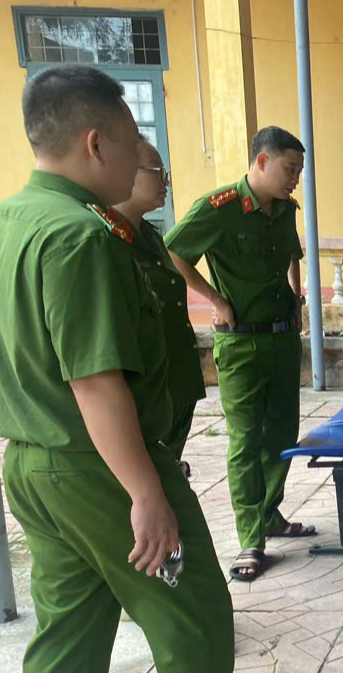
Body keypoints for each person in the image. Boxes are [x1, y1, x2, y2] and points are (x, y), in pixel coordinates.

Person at [0, 65, 236, 673]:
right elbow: (94, 381)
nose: (138, 151)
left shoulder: (2, 221)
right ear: (96, 142)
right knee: (193, 621)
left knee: (70, 634)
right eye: (130, 136)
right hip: (101, 467)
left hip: (32, 466)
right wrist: (146, 493)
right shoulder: (82, 236)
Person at [165, 127, 310, 582]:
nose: (295, 179)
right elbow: (174, 253)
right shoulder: (219, 209)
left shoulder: (284, 210)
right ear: (262, 162)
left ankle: (270, 515)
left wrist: (297, 296)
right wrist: (215, 300)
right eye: (289, 169)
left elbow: (293, 253)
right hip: (241, 342)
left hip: (282, 339)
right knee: (246, 440)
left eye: (299, 171)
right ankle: (251, 536)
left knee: (282, 433)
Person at [108, 137, 205, 475]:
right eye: (156, 172)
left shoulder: (149, 235)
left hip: (175, 386)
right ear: (124, 171)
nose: (165, 183)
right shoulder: (106, 241)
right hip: (145, 397)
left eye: (166, 174)